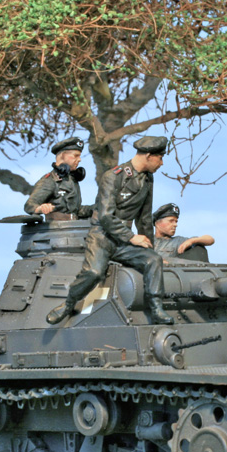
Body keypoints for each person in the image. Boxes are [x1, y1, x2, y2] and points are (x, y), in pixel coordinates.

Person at [46, 136, 174, 325]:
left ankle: (156, 309)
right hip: (102, 236)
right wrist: (132, 237)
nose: (161, 163)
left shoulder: (147, 178)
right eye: (160, 158)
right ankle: (68, 304)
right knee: (94, 272)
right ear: (148, 156)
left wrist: (150, 248)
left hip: (124, 241)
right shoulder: (113, 176)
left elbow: (145, 218)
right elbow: (105, 216)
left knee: (153, 260)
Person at [24, 137, 93, 219]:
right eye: (75, 156)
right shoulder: (50, 180)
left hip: (74, 224)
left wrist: (97, 207)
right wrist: (41, 208)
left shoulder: (72, 179)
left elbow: (75, 210)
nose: (79, 159)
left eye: (79, 156)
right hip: (56, 226)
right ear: (63, 156)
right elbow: (29, 205)